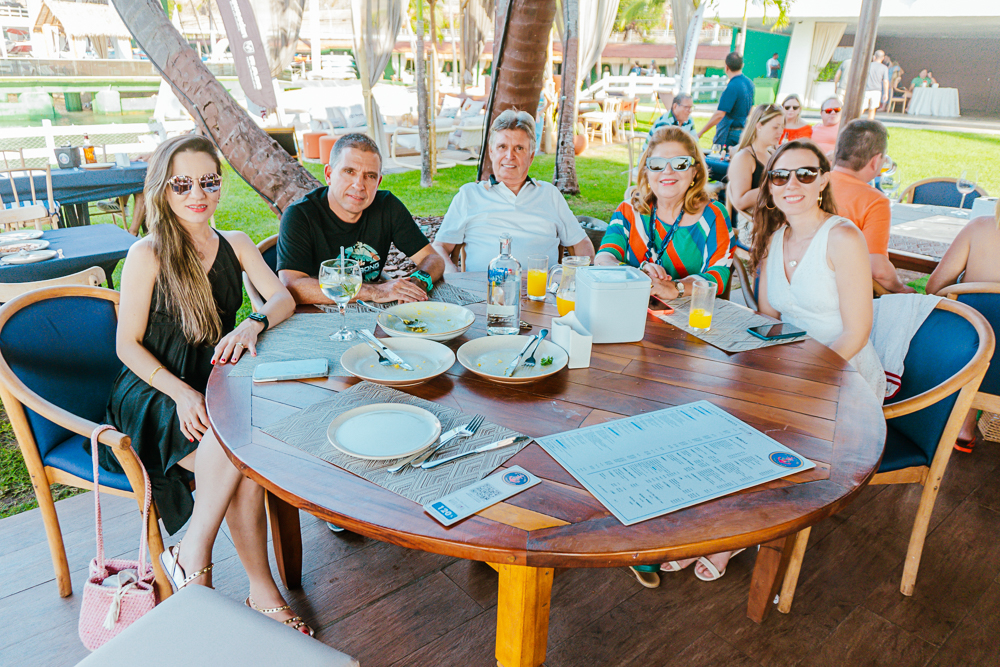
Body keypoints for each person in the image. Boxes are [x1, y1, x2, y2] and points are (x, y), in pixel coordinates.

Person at [102, 135, 310, 633]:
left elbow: (282, 298)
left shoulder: (235, 243)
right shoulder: (148, 253)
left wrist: (252, 323)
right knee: (242, 459)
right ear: (163, 189)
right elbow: (126, 345)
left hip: (213, 383)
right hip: (153, 391)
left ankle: (195, 555)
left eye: (209, 182)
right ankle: (254, 588)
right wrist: (180, 392)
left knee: (240, 457)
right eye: (183, 184)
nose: (198, 194)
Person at [751, 139, 885, 399]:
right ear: (770, 185)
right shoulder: (772, 240)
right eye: (780, 176)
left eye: (805, 174)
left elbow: (856, 334)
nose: (792, 184)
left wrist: (807, 377)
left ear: (823, 181)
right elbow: (768, 318)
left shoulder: (842, 237)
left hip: (840, 372)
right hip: (787, 366)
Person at [277, 133, 444, 305]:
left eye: (370, 176)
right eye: (349, 172)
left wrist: (417, 283)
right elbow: (292, 285)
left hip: (372, 312)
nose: (359, 185)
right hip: (317, 313)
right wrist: (375, 292)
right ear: (328, 174)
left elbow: (434, 259)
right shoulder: (300, 215)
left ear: (378, 182)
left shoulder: (387, 207)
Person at [433, 110, 594, 272]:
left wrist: (581, 278)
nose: (509, 156)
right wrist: (453, 278)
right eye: (502, 147)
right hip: (484, 286)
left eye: (519, 148)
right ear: (491, 152)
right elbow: (440, 247)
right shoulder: (469, 195)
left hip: (539, 287)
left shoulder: (549, 194)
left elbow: (581, 244)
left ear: (531, 157)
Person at [595, 126, 734, 304]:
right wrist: (636, 274)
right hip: (627, 306)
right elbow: (603, 258)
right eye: (657, 164)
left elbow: (718, 276)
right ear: (646, 171)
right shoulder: (628, 210)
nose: (667, 171)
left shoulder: (712, 216)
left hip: (689, 314)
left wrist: (676, 287)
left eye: (680, 163)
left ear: (695, 171)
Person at [925, 198, 1000, 451]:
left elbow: (934, 287)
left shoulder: (979, 228)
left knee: (978, 323)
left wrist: (966, 285)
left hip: (966, 357)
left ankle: (962, 426)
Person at [829, 119, 915, 294]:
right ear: (876, 161)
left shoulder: (812, 183)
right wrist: (901, 288)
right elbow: (878, 269)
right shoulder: (875, 201)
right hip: (843, 292)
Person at [728, 104, 784, 246]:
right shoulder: (745, 157)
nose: (780, 132)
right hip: (755, 228)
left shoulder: (772, 153)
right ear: (759, 125)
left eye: (782, 127)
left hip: (776, 221)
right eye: (775, 127)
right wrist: (772, 186)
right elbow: (740, 201)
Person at [698, 52, 755, 150]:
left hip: (729, 134)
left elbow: (720, 114)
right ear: (742, 65)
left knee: (719, 158)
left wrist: (701, 133)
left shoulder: (732, 86)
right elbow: (751, 110)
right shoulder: (749, 83)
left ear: (726, 67)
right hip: (743, 132)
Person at [864, 50, 890, 119]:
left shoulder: (868, 65)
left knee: (861, 108)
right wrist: (886, 93)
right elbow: (885, 81)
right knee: (872, 110)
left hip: (866, 89)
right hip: (876, 91)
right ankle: (869, 123)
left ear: (874, 57)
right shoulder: (884, 68)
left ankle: (855, 122)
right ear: (883, 58)